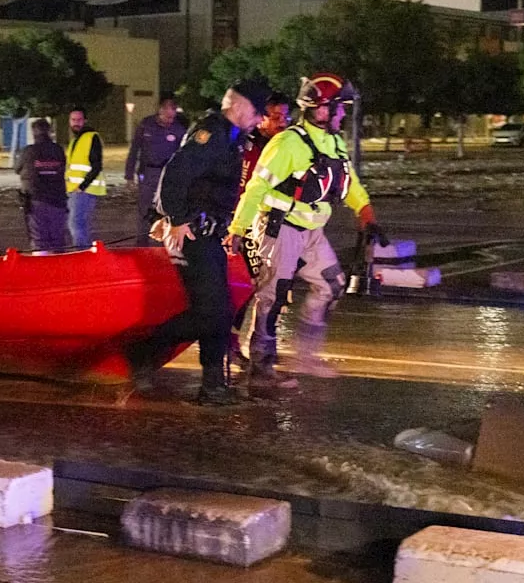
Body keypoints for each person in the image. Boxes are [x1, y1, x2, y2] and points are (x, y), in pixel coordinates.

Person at [228, 73, 381, 389]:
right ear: (321, 108)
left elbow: (348, 183)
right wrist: (238, 228)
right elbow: (256, 186)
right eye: (338, 108)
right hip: (279, 230)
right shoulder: (288, 143)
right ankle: (261, 366)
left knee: (332, 285)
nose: (342, 114)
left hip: (311, 232)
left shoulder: (334, 142)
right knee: (272, 297)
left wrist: (366, 213)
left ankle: (305, 356)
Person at [125, 79, 268, 405]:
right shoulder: (213, 133)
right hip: (191, 234)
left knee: (219, 310)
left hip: (208, 234)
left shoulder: (230, 137)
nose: (260, 120)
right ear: (241, 105)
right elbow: (175, 173)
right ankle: (142, 351)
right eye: (258, 112)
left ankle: (213, 385)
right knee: (211, 312)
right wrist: (176, 219)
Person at [227, 92, 292, 370]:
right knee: (249, 287)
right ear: (262, 118)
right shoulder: (250, 146)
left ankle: (264, 342)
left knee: (272, 287)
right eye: (275, 116)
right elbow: (244, 187)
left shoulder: (287, 144)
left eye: (285, 116)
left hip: (274, 226)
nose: (282, 122)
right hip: (246, 225)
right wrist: (237, 227)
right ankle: (231, 346)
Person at [125, 97, 187, 246]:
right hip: (148, 173)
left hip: (168, 175)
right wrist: (129, 175)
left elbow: (184, 155)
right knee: (144, 209)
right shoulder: (146, 125)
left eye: (173, 114)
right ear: (160, 110)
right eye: (167, 113)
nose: (170, 118)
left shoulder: (179, 130)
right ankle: (142, 244)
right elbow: (134, 149)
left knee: (165, 209)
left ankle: (163, 244)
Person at [14, 118, 69, 250]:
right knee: (58, 240)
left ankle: (41, 268)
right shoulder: (58, 150)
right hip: (57, 200)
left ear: (33, 132)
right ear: (49, 131)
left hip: (36, 200)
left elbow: (17, 168)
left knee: (39, 240)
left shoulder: (28, 151)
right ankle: (60, 267)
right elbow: (63, 166)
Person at [65, 107, 106, 248]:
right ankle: (86, 254)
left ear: (85, 121)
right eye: (73, 120)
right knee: (78, 224)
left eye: (79, 120)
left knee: (76, 224)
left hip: (84, 190)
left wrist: (82, 187)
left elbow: (97, 165)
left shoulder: (91, 137)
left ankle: (82, 254)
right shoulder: (75, 140)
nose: (76, 123)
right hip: (74, 190)